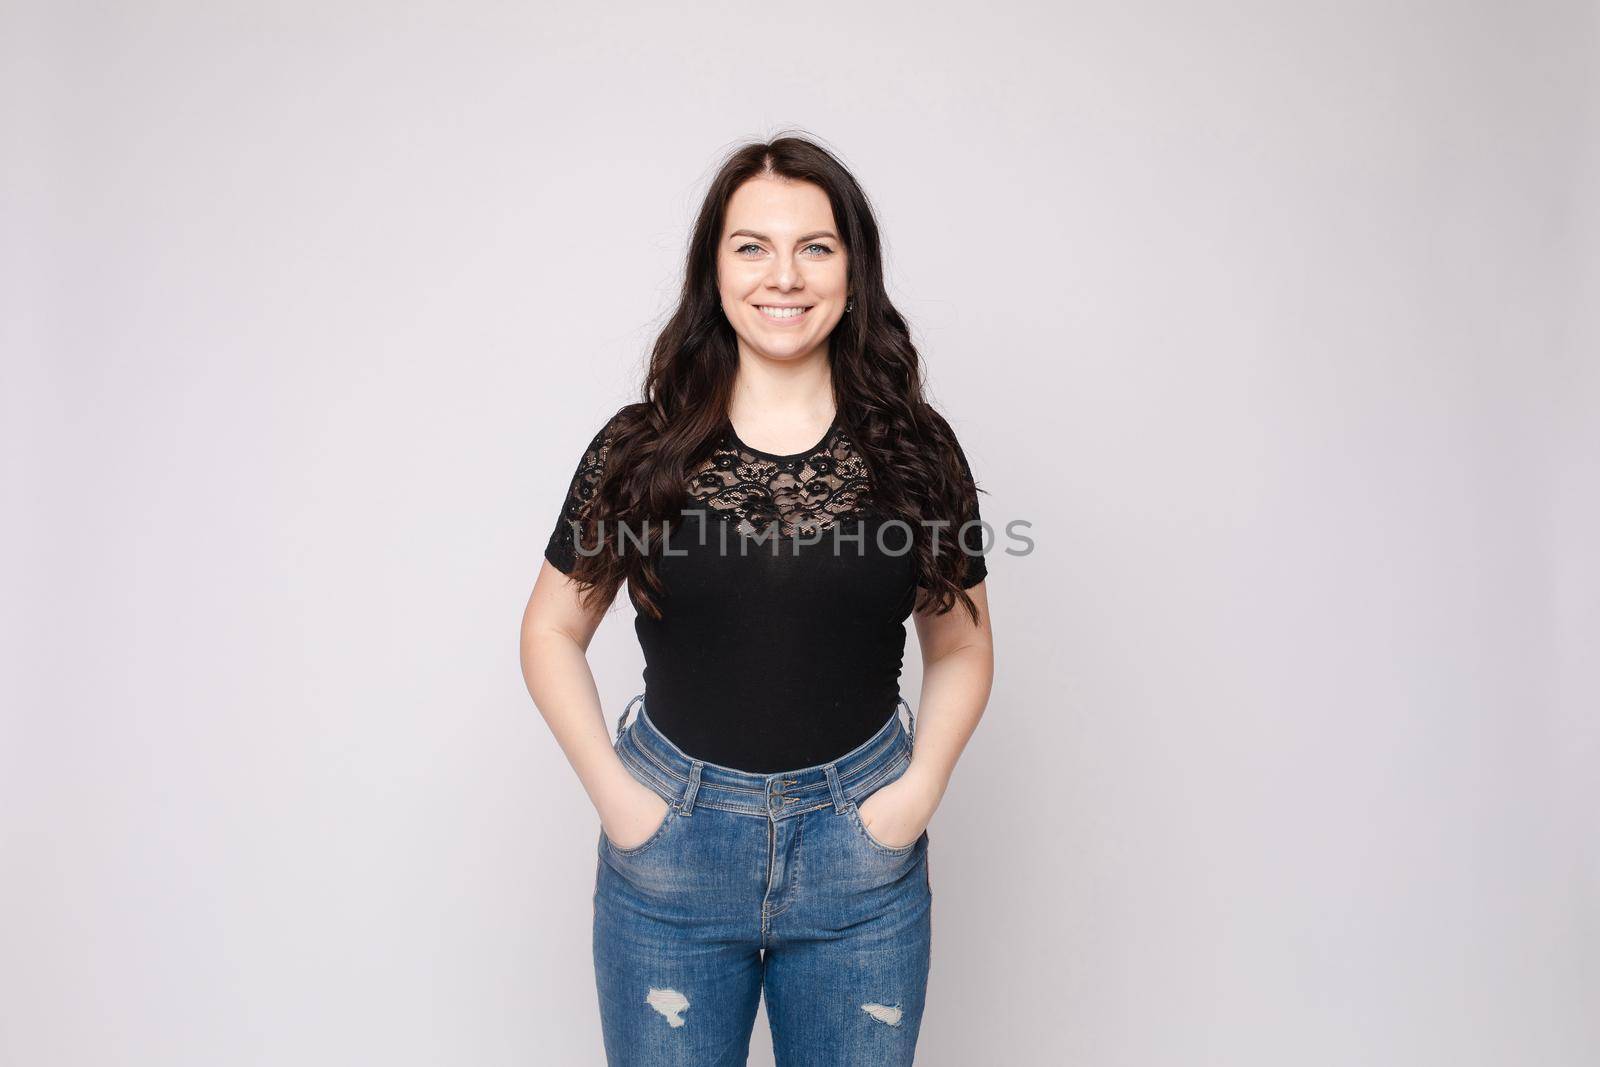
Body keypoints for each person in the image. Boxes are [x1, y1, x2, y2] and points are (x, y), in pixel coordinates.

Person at [519, 133, 995, 1066]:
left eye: (815, 246)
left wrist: (913, 797)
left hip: (860, 857)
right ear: (715, 270)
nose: (785, 275)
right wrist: (622, 803)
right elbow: (549, 629)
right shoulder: (639, 449)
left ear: (854, 271)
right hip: (671, 850)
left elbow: (964, 647)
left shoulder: (917, 452)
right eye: (752, 246)